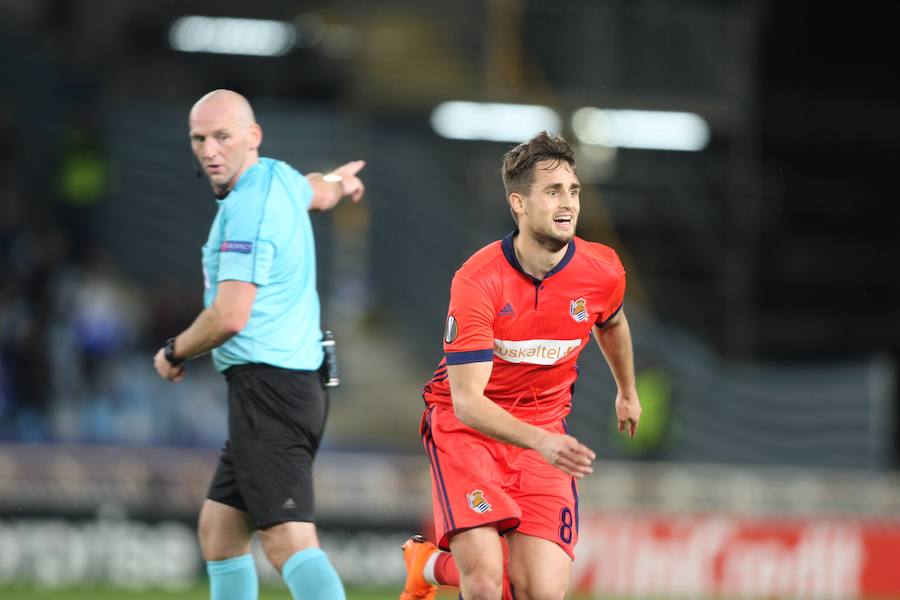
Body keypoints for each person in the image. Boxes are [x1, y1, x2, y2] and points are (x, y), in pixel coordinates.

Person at [399, 131, 642, 600]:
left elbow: (611, 323)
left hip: (543, 432)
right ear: (519, 204)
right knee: (488, 582)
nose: (568, 202)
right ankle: (433, 565)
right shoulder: (478, 280)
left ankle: (425, 564)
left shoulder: (602, 269)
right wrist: (543, 442)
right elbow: (468, 403)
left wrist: (626, 390)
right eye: (552, 191)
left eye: (573, 191)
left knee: (540, 592)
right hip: (467, 433)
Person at [153, 89, 364, 600]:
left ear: (253, 137)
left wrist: (174, 351)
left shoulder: (248, 209)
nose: (209, 151)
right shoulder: (276, 175)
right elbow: (317, 191)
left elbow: (229, 316)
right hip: (286, 385)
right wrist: (340, 181)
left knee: (288, 542)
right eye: (198, 139)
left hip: (272, 388)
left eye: (221, 136)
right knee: (220, 532)